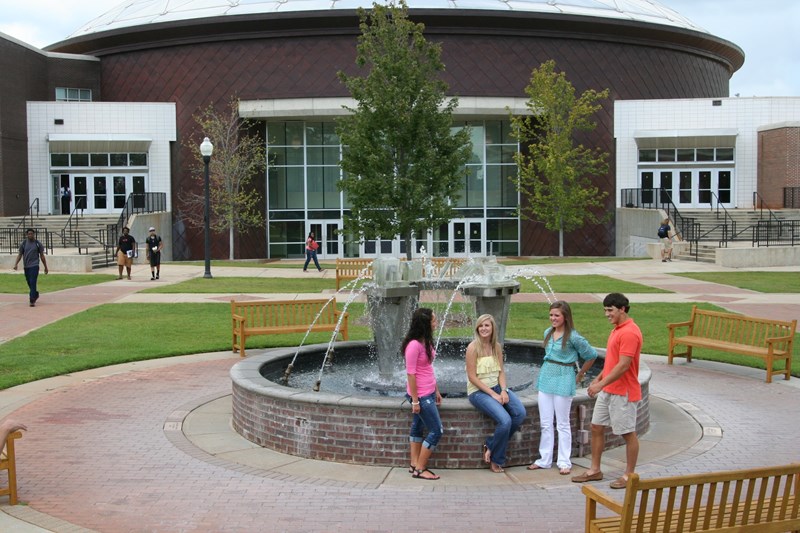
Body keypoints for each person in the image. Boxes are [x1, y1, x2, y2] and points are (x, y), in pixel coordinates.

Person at [572, 293, 642, 490]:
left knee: (628, 433)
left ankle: (629, 475)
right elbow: (613, 361)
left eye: (610, 310)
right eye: (605, 310)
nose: (606, 314)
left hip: (623, 392)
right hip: (609, 389)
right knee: (596, 427)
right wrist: (599, 378)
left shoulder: (629, 332)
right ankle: (595, 470)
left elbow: (623, 366)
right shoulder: (617, 330)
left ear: (622, 309)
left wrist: (600, 385)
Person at [528, 301, 596, 475]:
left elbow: (591, 355)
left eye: (557, 315)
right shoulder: (547, 333)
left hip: (564, 378)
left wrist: (580, 374)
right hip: (546, 378)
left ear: (565, 316)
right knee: (545, 422)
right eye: (551, 315)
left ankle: (564, 461)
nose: (553, 318)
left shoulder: (573, 337)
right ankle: (544, 459)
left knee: (563, 423)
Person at [466, 314, 526, 473]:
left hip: (497, 387)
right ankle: (496, 459)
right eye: (481, 326)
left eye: (487, 326)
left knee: (519, 413)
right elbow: (472, 377)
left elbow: (501, 372)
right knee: (505, 421)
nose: (483, 329)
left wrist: (504, 390)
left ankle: (491, 445)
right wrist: (493, 394)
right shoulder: (472, 348)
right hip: (479, 392)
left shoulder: (496, 347)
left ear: (493, 328)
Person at [402, 307, 443, 480]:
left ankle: (413, 464)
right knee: (437, 430)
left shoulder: (426, 341)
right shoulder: (413, 345)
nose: (436, 322)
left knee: (418, 427)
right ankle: (420, 468)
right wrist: (416, 401)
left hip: (428, 392)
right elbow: (411, 373)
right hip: (420, 396)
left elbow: (427, 369)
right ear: (425, 323)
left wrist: (437, 390)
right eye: (433, 320)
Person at [13, 228, 49, 307]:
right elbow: (20, 254)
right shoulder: (24, 243)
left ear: (34, 234)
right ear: (27, 235)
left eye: (31, 234)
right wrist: (16, 264)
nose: (30, 235)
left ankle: (32, 300)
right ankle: (35, 294)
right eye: (29, 234)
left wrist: (46, 267)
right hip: (26, 266)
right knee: (29, 281)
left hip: (35, 265)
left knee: (33, 281)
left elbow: (42, 256)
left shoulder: (37, 243)